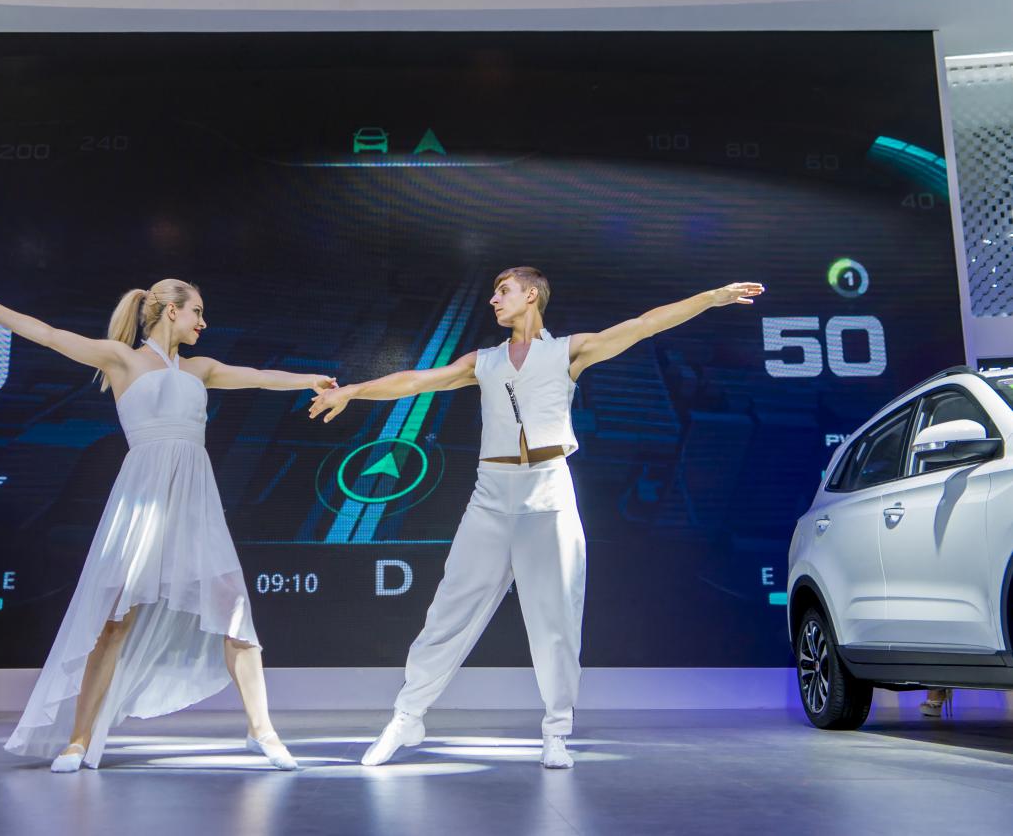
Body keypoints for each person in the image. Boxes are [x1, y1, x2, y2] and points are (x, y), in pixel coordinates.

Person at [310, 267, 764, 768]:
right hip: (490, 494)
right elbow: (415, 381)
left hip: (548, 492)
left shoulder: (567, 351)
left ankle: (556, 730)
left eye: (502, 291)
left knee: (555, 621)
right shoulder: (483, 361)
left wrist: (712, 297)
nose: (493, 300)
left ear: (531, 295)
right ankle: (407, 716)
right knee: (448, 612)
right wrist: (352, 390)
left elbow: (644, 325)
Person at [0, 280, 336, 772]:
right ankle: (78, 740)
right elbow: (50, 336)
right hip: (143, 500)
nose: (203, 322)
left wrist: (310, 379)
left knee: (234, 610)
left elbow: (257, 377)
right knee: (114, 621)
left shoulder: (200, 369)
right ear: (171, 311)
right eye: (197, 311)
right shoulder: (121, 359)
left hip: (195, 503)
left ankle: (262, 731)